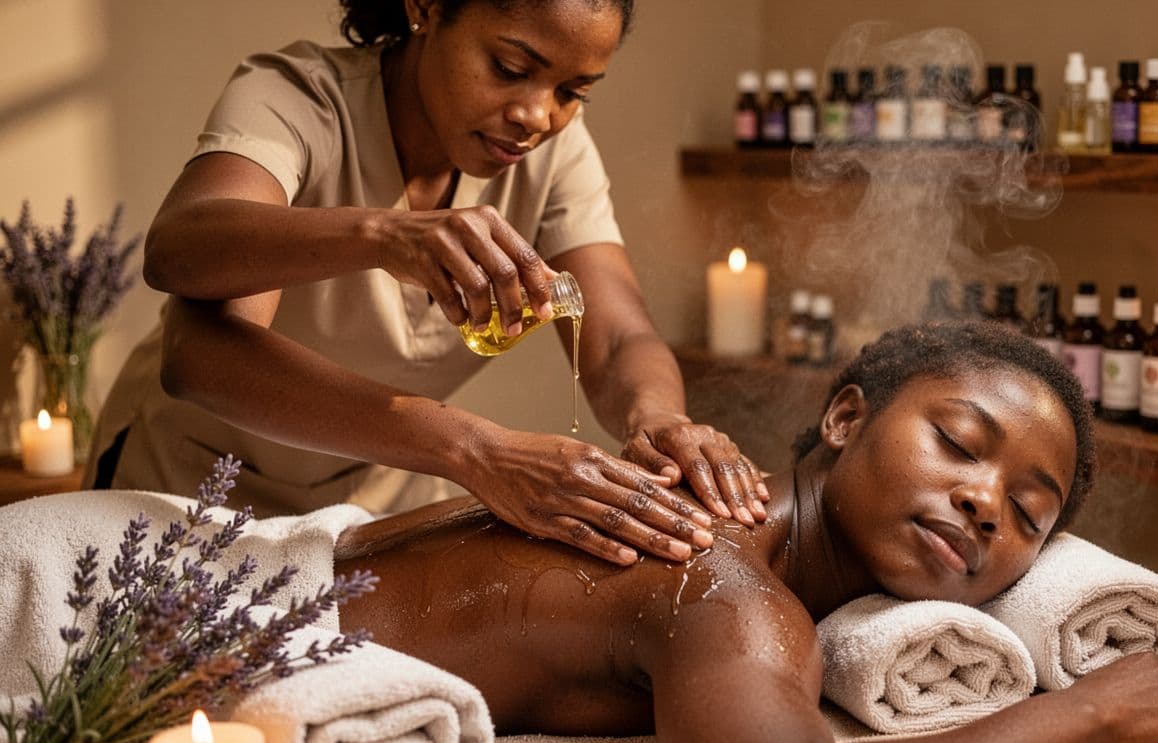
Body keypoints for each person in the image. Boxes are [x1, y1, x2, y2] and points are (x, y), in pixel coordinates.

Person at [335, 322, 1158, 743]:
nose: (984, 503)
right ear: (844, 417)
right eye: (957, 444)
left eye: (1029, 515)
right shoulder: (725, 589)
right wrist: (1086, 713)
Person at [84, 0, 768, 566]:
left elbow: (617, 337)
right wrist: (387, 238)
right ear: (425, 7)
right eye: (510, 67)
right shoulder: (299, 100)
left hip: (370, 512)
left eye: (571, 90)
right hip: (188, 495)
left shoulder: (556, 149)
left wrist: (659, 418)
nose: (537, 116)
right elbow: (191, 309)